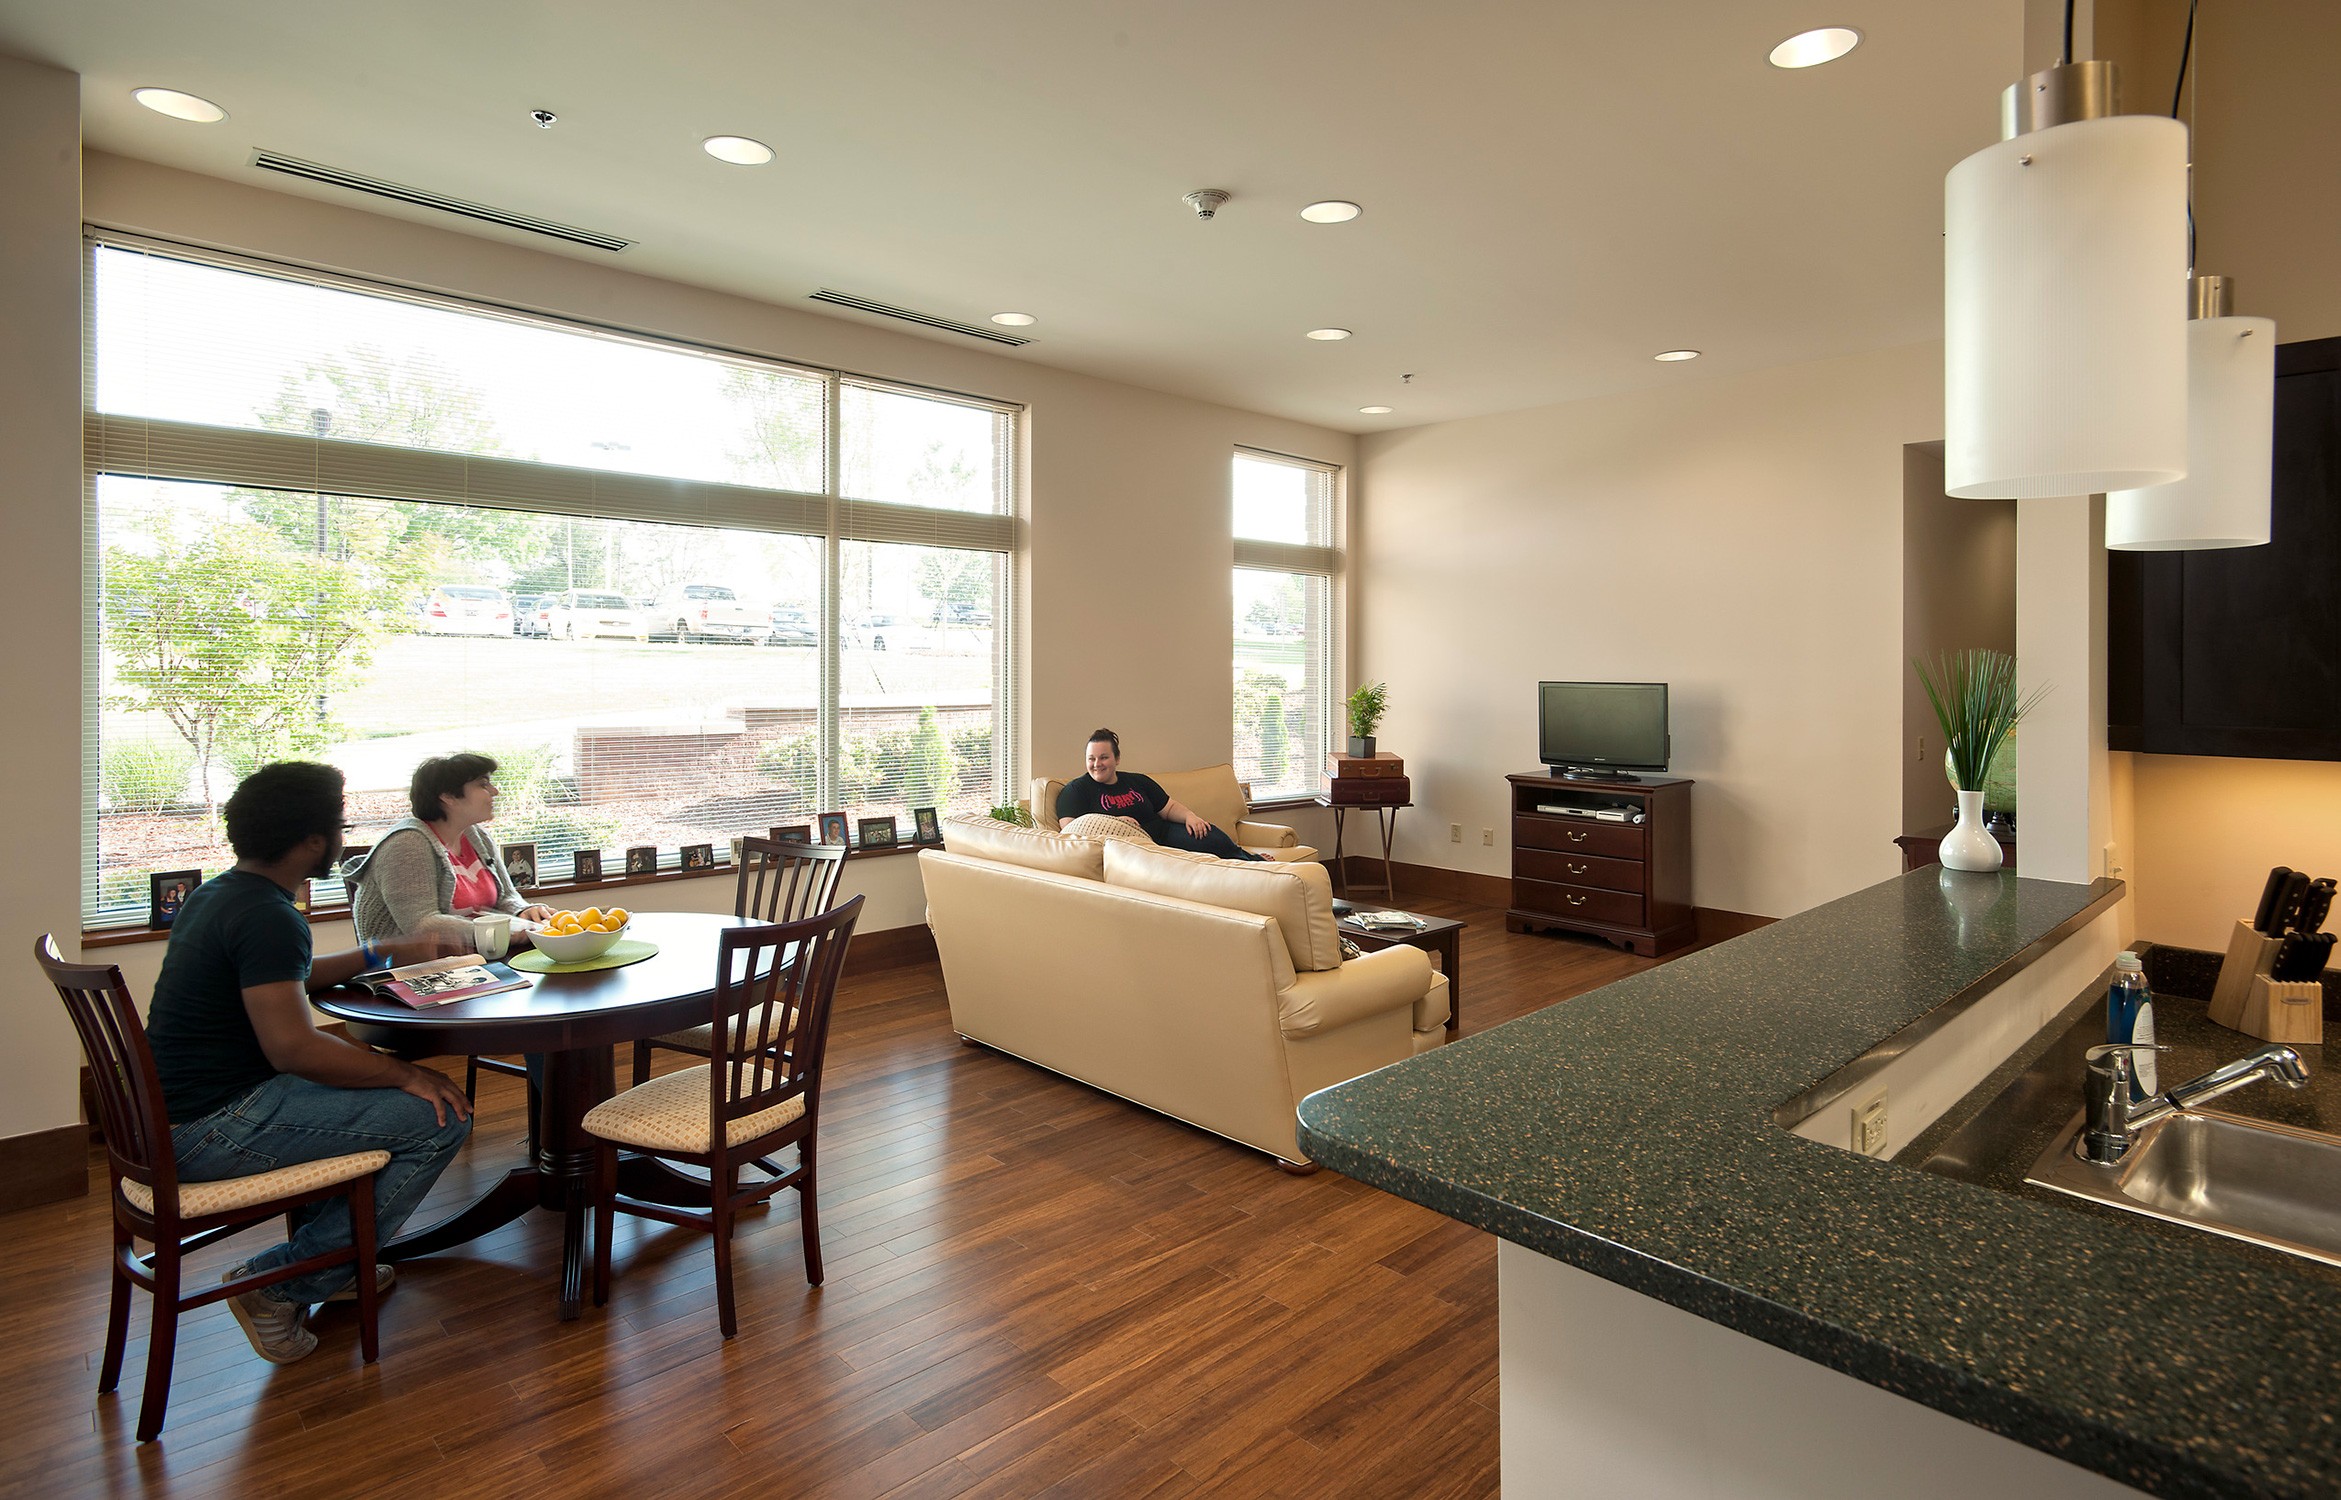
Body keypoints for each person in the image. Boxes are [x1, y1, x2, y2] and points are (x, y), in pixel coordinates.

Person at [144, 762, 474, 1366]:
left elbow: (285, 978)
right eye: (339, 828)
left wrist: (379, 952)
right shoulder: (270, 917)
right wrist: (406, 1073)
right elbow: (294, 1049)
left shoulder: (221, 895)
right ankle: (284, 1284)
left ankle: (333, 1264)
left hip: (171, 1114)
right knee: (440, 1117)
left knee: (377, 1087)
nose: (343, 839)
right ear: (313, 841)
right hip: (208, 1128)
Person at [344, 753, 554, 949]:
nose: (495, 791)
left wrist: (523, 911)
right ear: (448, 796)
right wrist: (497, 931)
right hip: (406, 967)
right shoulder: (407, 844)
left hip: (474, 958)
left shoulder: (476, 836)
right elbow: (421, 925)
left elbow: (506, 896)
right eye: (483, 784)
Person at [1055, 728, 1266, 860]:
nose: (1097, 764)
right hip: (1132, 850)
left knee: (1207, 835)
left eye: (1103, 757)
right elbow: (1070, 831)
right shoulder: (1075, 790)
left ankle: (1250, 860)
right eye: (1091, 758)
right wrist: (1115, 822)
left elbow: (1168, 807)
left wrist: (1190, 816)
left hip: (1164, 834)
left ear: (1117, 759)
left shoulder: (1137, 780)